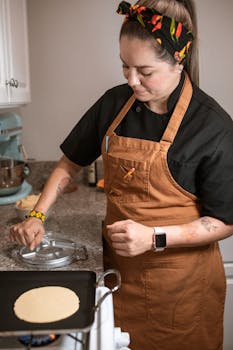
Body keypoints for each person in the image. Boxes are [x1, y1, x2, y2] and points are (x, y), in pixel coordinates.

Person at [10, 1, 233, 349]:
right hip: (119, 279)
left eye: (144, 71)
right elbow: (70, 163)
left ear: (179, 59)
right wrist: (38, 214)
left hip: (181, 293)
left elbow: (225, 221)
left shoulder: (212, 126)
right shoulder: (115, 104)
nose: (132, 80)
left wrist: (154, 237)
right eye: (125, 66)